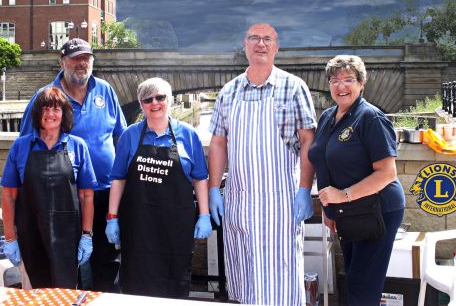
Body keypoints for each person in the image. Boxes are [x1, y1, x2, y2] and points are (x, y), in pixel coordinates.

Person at [208, 23, 317, 305]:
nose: (261, 44)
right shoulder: (229, 92)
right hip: (240, 201)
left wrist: (305, 189)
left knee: (282, 277)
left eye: (267, 39)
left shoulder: (294, 88)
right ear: (244, 45)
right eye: (254, 38)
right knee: (244, 275)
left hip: (280, 204)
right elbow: (219, 143)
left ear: (276, 47)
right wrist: (213, 189)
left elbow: (308, 141)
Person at [19, 38, 127, 292]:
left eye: (86, 58)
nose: (82, 63)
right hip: (63, 198)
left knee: (107, 262)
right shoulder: (46, 97)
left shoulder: (106, 90)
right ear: (62, 61)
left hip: (104, 192)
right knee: (64, 264)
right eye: (75, 58)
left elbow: (121, 137)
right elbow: (25, 146)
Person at [308, 55, 405, 306]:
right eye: (335, 80)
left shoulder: (370, 118)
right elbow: (324, 161)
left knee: (362, 285)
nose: (341, 86)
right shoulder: (328, 116)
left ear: (362, 83)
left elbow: (387, 173)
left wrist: (343, 196)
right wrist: (330, 210)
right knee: (352, 278)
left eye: (348, 79)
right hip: (348, 211)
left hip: (377, 210)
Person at [105, 77, 212, 297]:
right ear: (141, 104)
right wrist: (112, 218)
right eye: (147, 99)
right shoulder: (130, 136)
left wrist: (204, 214)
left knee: (174, 285)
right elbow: (118, 178)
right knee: (136, 286)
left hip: (176, 229)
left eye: (160, 97)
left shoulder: (189, 135)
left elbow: (200, 178)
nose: (155, 103)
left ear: (169, 100)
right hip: (138, 228)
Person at [1, 87, 96, 288]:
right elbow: (9, 195)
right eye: (45, 109)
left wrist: (86, 235)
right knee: (34, 294)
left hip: (67, 238)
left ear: (64, 113)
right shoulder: (21, 146)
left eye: (56, 109)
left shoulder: (77, 146)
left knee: (65, 294)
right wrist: (10, 238)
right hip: (30, 235)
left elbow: (86, 195)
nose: (50, 114)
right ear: (37, 113)